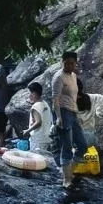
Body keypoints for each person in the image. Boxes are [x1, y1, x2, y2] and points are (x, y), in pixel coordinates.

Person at [52, 50, 87, 187]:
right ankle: (66, 180)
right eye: (66, 63)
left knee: (82, 145)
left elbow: (73, 97)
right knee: (67, 146)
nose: (69, 66)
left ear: (75, 64)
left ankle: (69, 173)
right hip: (63, 112)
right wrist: (58, 117)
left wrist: (77, 113)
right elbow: (55, 99)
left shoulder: (73, 76)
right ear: (62, 62)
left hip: (72, 112)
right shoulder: (58, 77)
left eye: (72, 63)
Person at [27, 82, 54, 156]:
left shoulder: (35, 107)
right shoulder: (45, 104)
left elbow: (38, 122)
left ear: (34, 94)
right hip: (46, 137)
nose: (28, 96)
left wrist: (27, 131)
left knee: (35, 159)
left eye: (29, 93)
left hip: (37, 139)